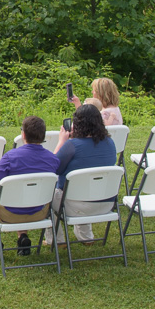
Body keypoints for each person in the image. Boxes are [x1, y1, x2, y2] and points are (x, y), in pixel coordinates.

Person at [0, 116, 60, 257]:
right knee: (26, 195)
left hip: (9, 213)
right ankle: (22, 237)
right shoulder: (53, 159)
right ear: (43, 136)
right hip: (40, 211)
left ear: (23, 134)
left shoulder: (11, 157)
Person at [49, 103, 118, 246]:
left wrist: (62, 141)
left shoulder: (72, 145)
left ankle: (57, 240)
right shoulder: (110, 143)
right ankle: (86, 237)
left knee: (46, 192)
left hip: (75, 205)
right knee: (87, 184)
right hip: (105, 203)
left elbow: (52, 168)